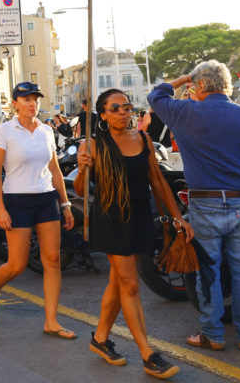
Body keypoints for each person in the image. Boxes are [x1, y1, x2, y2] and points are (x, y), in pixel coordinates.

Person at [148, 60, 240, 352]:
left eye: (194, 85)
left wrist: (181, 79)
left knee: (209, 271)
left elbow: (156, 96)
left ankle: (212, 335)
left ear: (200, 85)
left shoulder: (185, 112)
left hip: (205, 203)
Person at [77, 89, 186, 378]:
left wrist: (177, 219)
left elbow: (158, 182)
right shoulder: (93, 145)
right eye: (116, 108)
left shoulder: (144, 139)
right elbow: (82, 191)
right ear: (103, 115)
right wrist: (82, 170)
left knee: (117, 281)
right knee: (131, 285)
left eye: (127, 106)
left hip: (138, 216)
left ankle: (100, 338)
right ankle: (148, 355)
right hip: (111, 219)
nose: (123, 112)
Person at [0, 83, 76, 341]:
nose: (32, 103)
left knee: (52, 260)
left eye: (35, 98)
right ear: (15, 103)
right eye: (26, 99)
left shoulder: (46, 130)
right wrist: (0, 209)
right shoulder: (4, 131)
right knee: (16, 264)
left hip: (47, 199)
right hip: (17, 200)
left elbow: (55, 170)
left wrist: (65, 205)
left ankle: (51, 321)